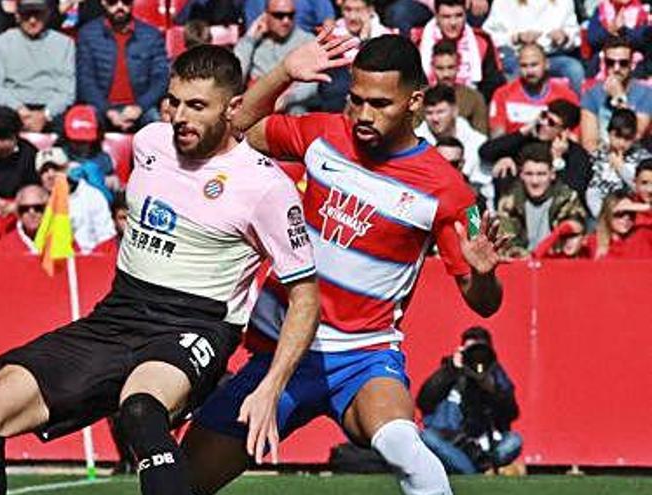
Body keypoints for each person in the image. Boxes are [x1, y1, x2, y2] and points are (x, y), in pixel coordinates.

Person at [0, 45, 320, 495]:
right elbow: (202, 125)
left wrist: (270, 387)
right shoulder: (149, 143)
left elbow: (306, 297)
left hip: (194, 324)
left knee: (141, 411)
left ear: (233, 109)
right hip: (117, 315)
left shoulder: (265, 186)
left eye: (197, 106)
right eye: (174, 102)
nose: (181, 116)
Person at [185, 34, 507, 495]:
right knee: (180, 483)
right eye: (355, 100)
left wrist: (483, 273)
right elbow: (235, 128)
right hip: (280, 353)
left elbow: (486, 305)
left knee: (406, 449)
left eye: (380, 103)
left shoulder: (449, 190)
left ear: (415, 101)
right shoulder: (323, 133)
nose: (363, 115)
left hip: (363, 357)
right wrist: (282, 74)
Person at [417, 327, 522, 475]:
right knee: (427, 437)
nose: (476, 357)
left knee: (514, 441)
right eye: (471, 351)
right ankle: (479, 471)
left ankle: (479, 468)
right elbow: (423, 401)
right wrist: (450, 370)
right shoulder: (450, 370)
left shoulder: (495, 374)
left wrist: (492, 390)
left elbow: (512, 413)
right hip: (451, 442)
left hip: (484, 446)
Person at [76, 0, 169, 132]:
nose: (120, 6)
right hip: (101, 107)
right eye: (113, 1)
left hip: (140, 107)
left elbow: (161, 78)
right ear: (103, 2)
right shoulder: (88, 34)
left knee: (156, 124)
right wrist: (107, 110)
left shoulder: (151, 35)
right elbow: (85, 80)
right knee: (86, 123)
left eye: (125, 1)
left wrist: (139, 107)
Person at [0, 0, 76, 132]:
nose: (32, 20)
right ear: (17, 16)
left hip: (50, 109)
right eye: (27, 14)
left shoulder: (65, 44)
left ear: (47, 15)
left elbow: (67, 92)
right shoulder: (1, 42)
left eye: (38, 14)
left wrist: (45, 114)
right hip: (12, 107)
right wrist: (20, 110)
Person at [480, 98, 591, 201]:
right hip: (514, 207)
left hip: (552, 213)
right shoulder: (525, 141)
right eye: (543, 116)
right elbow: (485, 152)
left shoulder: (576, 154)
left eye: (551, 122)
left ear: (564, 131)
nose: (543, 123)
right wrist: (524, 130)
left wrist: (558, 161)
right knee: (473, 210)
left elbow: (573, 192)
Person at [496, 142, 586, 258]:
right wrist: (526, 256)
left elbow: (575, 229)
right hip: (521, 264)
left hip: (557, 262)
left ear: (552, 174)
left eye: (541, 174)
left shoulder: (567, 198)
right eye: (529, 174)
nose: (535, 181)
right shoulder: (509, 201)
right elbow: (506, 243)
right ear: (521, 175)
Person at [482, 0, 585, 95]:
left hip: (550, 55)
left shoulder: (564, 2)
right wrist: (517, 38)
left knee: (574, 69)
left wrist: (564, 37)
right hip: (517, 55)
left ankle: (576, 110)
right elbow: (490, 35)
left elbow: (574, 33)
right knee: (517, 73)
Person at [234, 0, 318, 115]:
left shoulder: (307, 40)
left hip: (292, 107)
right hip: (256, 106)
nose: (286, 21)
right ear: (266, 15)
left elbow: (311, 85)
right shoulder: (254, 40)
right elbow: (235, 74)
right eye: (279, 15)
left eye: (290, 15)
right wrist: (250, 39)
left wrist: (286, 98)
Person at [415, 84, 492, 208]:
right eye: (429, 113)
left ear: (455, 111)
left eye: (441, 112)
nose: (435, 118)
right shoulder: (414, 143)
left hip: (472, 208)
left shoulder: (478, 143)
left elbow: (483, 186)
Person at [418, 0, 505, 101]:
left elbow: (493, 83)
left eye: (458, 15)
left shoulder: (482, 42)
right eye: (446, 17)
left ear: (466, 15)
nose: (453, 23)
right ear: (436, 17)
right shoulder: (419, 43)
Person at [488, 43, 578, 138]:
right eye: (524, 66)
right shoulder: (502, 94)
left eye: (534, 65)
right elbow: (497, 137)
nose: (529, 71)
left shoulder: (566, 96)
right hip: (513, 149)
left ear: (546, 64)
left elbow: (573, 136)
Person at [580, 36, 652, 153]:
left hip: (636, 157)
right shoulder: (592, 94)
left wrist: (620, 99)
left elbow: (636, 135)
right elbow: (589, 142)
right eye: (610, 62)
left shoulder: (646, 93)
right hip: (601, 159)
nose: (616, 68)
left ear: (632, 64)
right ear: (604, 64)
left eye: (623, 63)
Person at [586, 108, 652, 218]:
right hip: (602, 213)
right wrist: (602, 216)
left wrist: (621, 168)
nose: (621, 143)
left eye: (627, 139)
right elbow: (593, 190)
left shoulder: (643, 158)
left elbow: (643, 189)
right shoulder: (599, 155)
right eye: (617, 136)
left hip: (632, 213)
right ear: (609, 133)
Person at [0, 106, 40, 207]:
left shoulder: (30, 154)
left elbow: (34, 189)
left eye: (8, 139)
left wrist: (15, 205)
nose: (2, 144)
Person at [428, 40, 488, 134]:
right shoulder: (420, 99)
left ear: (458, 67)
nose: (446, 74)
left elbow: (481, 138)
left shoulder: (474, 98)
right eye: (440, 68)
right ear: (432, 67)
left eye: (450, 67)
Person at [0, 184, 48, 254]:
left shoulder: (59, 240)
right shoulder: (5, 245)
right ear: (18, 212)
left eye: (38, 208)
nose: (31, 213)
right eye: (24, 209)